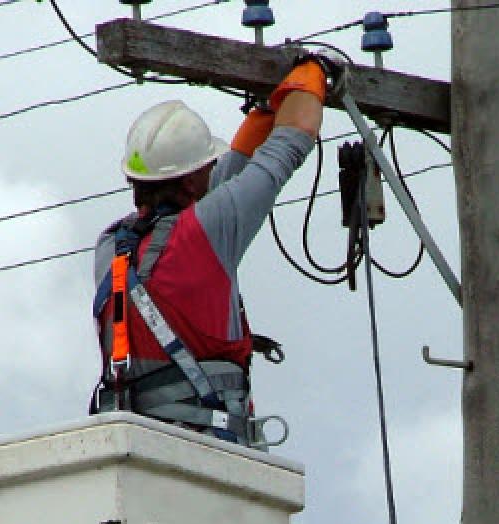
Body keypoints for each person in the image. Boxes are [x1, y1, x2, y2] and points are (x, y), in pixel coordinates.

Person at [89, 57, 329, 447]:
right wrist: (314, 75)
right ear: (188, 185)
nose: (213, 170)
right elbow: (291, 141)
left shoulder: (110, 245)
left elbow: (222, 184)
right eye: (206, 167)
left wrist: (266, 112)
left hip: (136, 441)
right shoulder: (207, 230)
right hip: (209, 446)